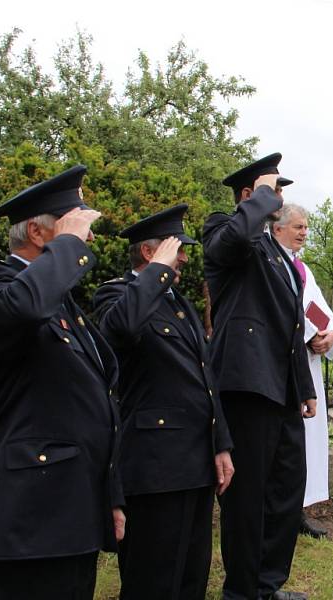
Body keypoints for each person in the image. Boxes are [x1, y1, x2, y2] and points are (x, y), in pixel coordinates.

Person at [0, 165, 125, 600]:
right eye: (77, 227)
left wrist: (109, 494)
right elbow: (23, 308)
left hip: (73, 510)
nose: (88, 240)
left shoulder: (61, 303)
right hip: (27, 519)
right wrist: (68, 247)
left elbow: (95, 404)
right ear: (37, 233)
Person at [93, 204, 234, 599]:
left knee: (191, 574)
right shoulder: (116, 294)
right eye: (179, 249)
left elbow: (206, 380)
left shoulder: (179, 303)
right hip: (154, 467)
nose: (186, 258)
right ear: (148, 253)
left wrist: (221, 443)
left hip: (195, 462)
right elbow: (120, 327)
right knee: (152, 579)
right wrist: (157, 271)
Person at [203, 153, 317, 600]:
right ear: (249, 196)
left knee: (286, 493)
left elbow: (290, 328)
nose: (281, 197)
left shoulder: (276, 251)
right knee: (247, 501)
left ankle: (268, 586)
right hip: (247, 387)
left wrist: (304, 387)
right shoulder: (226, 230)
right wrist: (259, 198)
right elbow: (226, 244)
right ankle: (243, 592)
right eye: (273, 189)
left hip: (282, 389)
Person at [272, 203, 333, 538]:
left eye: (306, 227)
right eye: (298, 226)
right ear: (277, 229)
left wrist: (330, 335)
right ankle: (281, 510)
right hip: (285, 365)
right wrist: (311, 334)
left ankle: (299, 509)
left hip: (309, 366)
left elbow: (322, 310)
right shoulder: (271, 263)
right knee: (288, 442)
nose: (304, 232)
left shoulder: (303, 269)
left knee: (309, 440)